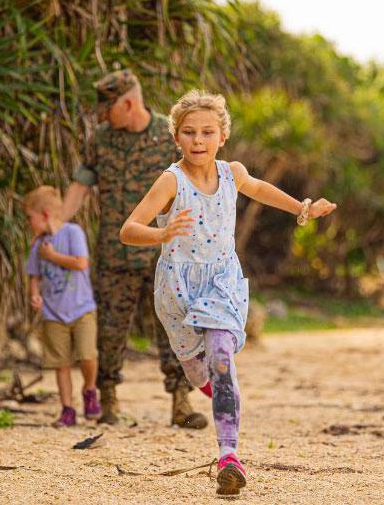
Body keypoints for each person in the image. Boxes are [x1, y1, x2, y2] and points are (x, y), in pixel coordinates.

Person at [119, 90, 337, 496]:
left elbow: (261, 189)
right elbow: (128, 229)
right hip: (178, 289)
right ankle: (221, 392)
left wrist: (303, 208)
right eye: (188, 133)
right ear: (176, 137)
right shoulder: (171, 180)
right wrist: (162, 233)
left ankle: (229, 457)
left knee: (221, 358)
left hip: (221, 281)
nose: (198, 141)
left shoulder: (232, 172)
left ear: (222, 136)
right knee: (200, 372)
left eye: (207, 132)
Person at [60, 69, 207, 428]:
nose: (104, 118)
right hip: (115, 253)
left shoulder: (167, 136)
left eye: (108, 109)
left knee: (174, 327)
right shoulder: (102, 140)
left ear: (128, 103)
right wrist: (57, 224)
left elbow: (195, 182)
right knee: (109, 329)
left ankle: (181, 404)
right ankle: (107, 401)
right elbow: (81, 184)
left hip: (165, 255)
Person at [23, 186, 101, 427]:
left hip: (81, 309)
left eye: (30, 218)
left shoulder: (72, 232)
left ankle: (89, 389)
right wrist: (35, 295)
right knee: (61, 363)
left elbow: (81, 263)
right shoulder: (38, 246)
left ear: (45, 214)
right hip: (54, 313)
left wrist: (53, 256)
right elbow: (34, 276)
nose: (28, 223)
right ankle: (67, 409)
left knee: (88, 355)